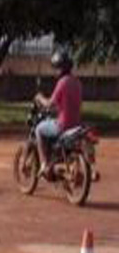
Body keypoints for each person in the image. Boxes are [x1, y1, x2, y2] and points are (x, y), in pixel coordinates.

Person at [34, 50, 82, 178]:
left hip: (63, 125)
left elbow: (49, 103)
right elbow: (67, 104)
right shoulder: (77, 82)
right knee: (50, 124)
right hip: (76, 124)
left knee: (39, 129)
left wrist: (39, 98)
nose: (55, 71)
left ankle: (44, 164)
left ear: (60, 68)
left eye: (55, 68)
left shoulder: (62, 82)